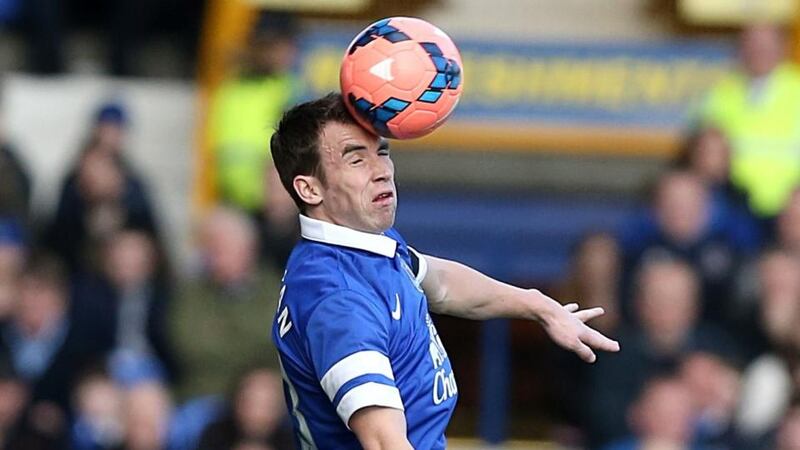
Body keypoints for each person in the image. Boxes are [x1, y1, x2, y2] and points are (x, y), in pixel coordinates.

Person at [269, 93, 619, 449]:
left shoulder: (361, 245)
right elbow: (385, 442)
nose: (382, 171)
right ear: (309, 189)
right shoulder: (340, 300)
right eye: (357, 159)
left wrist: (539, 307)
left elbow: (443, 284)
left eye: (383, 152)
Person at [700, 23, 800, 219]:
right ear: (740, 50)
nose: (759, 53)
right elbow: (705, 155)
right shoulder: (721, 94)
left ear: (783, 48)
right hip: (734, 204)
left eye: (766, 46)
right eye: (752, 45)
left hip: (792, 208)